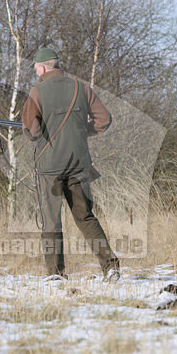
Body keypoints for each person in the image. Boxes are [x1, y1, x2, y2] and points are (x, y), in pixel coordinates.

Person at [21, 47, 120, 282]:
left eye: (36, 68)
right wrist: (80, 131)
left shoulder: (37, 91)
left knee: (51, 221)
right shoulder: (81, 87)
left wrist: (33, 131)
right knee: (85, 217)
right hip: (79, 165)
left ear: (43, 67)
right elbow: (104, 120)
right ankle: (111, 266)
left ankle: (56, 275)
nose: (36, 72)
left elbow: (33, 133)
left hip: (49, 168)